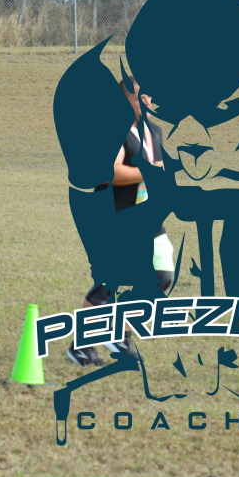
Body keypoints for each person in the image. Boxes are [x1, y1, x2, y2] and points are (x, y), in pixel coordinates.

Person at [66, 77, 175, 368]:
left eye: (150, 95)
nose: (148, 100)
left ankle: (119, 335)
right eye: (140, 97)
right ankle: (82, 346)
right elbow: (109, 172)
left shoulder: (154, 130)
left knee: (162, 277)